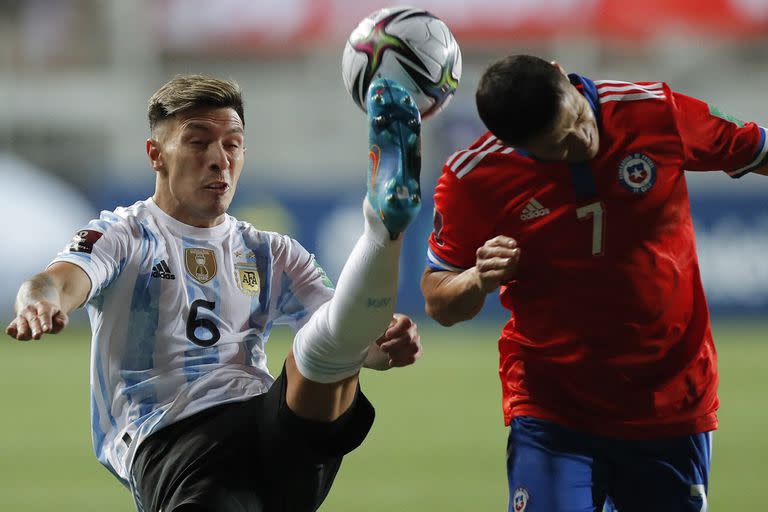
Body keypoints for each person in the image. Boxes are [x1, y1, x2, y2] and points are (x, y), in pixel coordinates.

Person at [6, 74, 424, 512]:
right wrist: (41, 301)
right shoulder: (124, 235)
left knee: (327, 345)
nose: (218, 160)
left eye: (232, 144)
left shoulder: (270, 252)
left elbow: (354, 338)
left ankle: (383, 221)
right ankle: (381, 229)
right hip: (172, 439)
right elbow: (56, 280)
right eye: (198, 142)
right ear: (156, 155)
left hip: (269, 421)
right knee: (326, 347)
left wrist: (380, 340)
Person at [421, 54, 768, 512]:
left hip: (670, 400)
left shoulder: (654, 111)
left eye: (578, 118)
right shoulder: (474, 178)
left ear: (564, 75)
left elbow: (757, 150)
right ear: (512, 145)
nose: (582, 140)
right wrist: (475, 279)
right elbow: (439, 302)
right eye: (560, 146)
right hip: (555, 409)